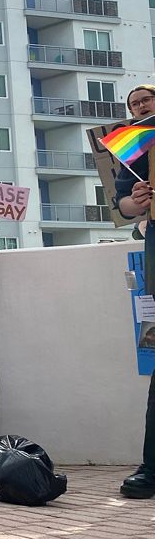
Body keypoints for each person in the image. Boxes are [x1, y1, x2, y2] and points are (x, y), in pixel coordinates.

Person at [111, 83, 155, 498]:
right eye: (134, 104)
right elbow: (121, 207)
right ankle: (152, 466)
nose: (140, 107)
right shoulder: (135, 152)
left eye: (146, 100)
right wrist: (137, 200)